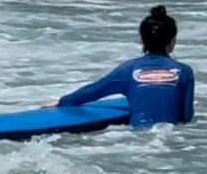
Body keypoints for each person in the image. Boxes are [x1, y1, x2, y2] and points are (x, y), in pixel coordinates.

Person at [56, 7, 195, 128]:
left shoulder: (128, 69)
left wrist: (63, 101)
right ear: (172, 41)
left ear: (143, 39)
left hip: (135, 137)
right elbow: (186, 116)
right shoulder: (184, 71)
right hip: (172, 136)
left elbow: (93, 91)